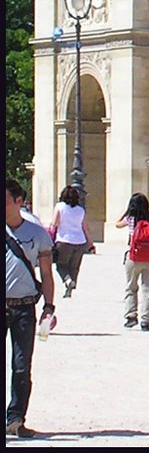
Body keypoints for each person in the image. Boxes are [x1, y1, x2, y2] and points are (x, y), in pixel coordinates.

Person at [6, 177, 56, 439]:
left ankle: (15, 419)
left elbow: (47, 274)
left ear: (19, 201)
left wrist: (49, 307)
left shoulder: (37, 234)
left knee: (22, 365)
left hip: (25, 307)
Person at [115, 192, 149, 330]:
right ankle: (145, 320)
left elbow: (116, 224)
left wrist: (126, 212)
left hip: (133, 258)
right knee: (148, 290)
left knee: (131, 287)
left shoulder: (130, 219)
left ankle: (131, 316)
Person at [48, 184, 95, 297]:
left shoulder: (60, 206)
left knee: (61, 265)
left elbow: (54, 224)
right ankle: (71, 285)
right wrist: (91, 244)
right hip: (79, 241)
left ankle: (68, 281)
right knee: (74, 266)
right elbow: (86, 228)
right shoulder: (80, 210)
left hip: (64, 240)